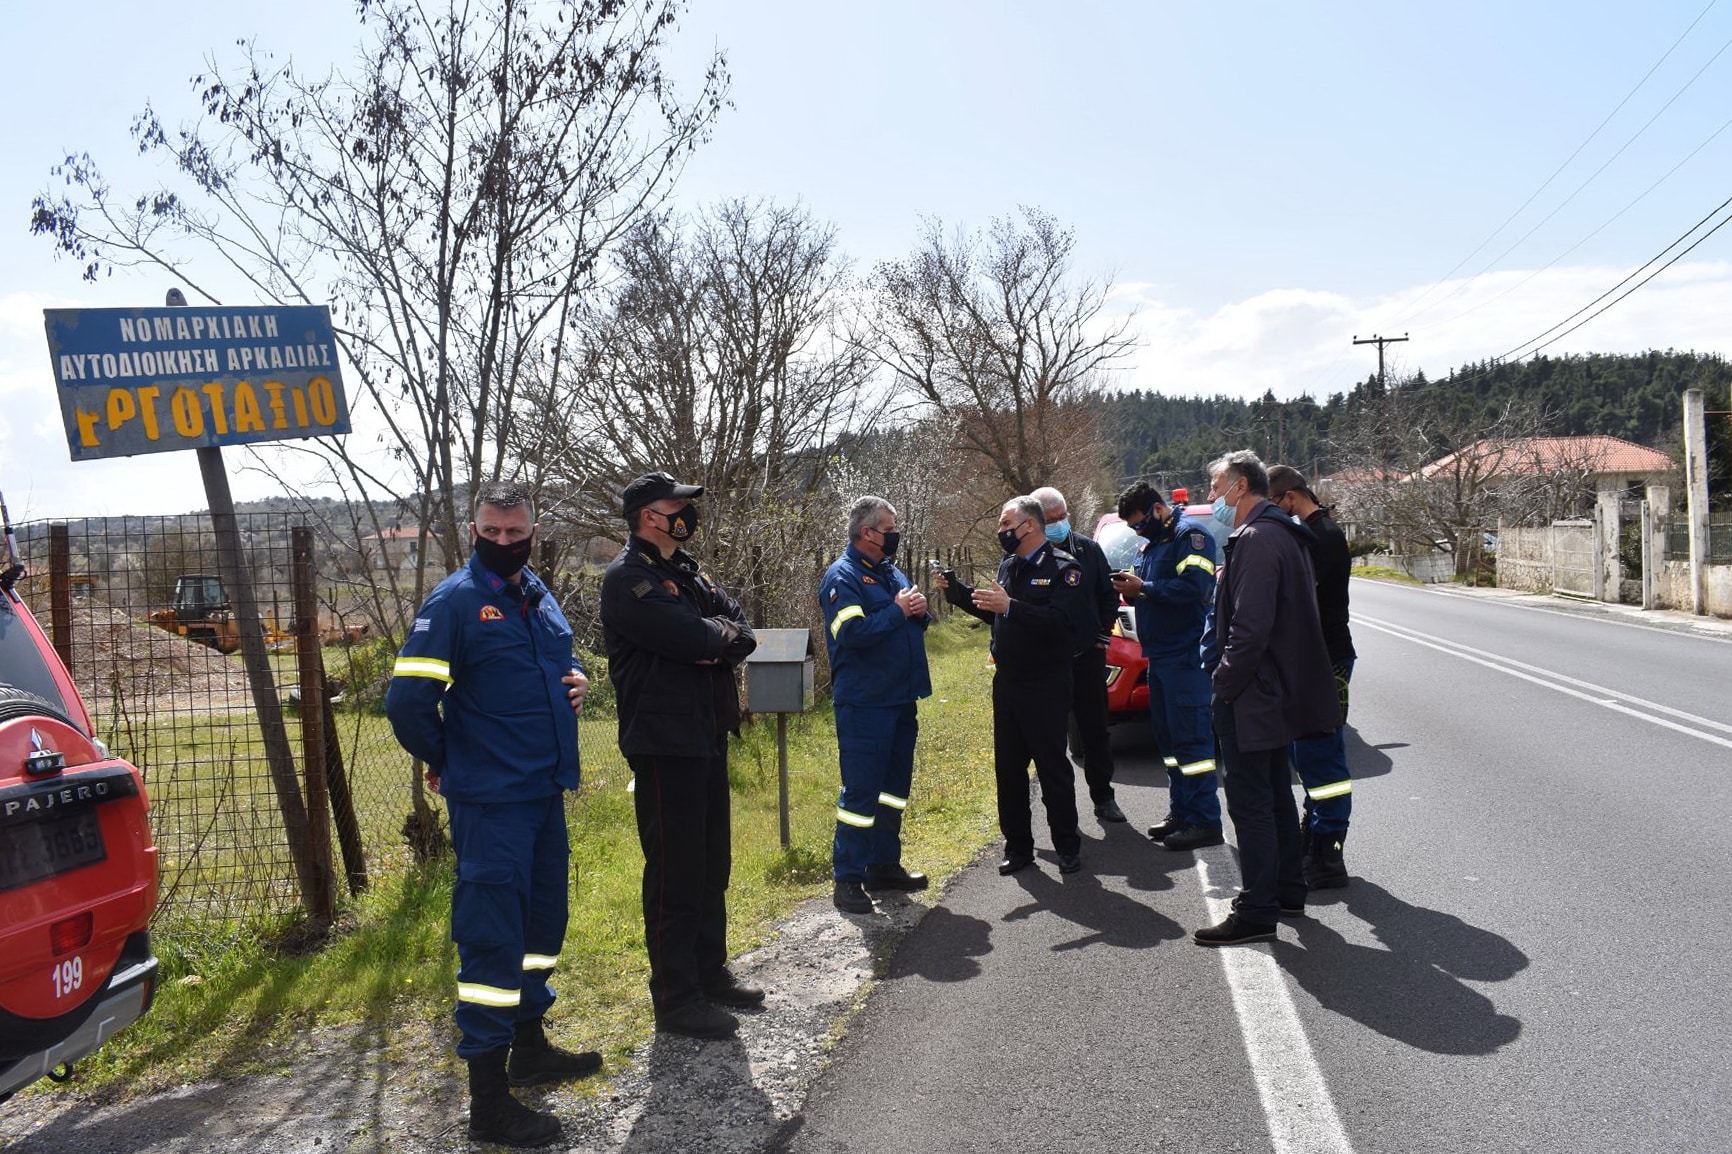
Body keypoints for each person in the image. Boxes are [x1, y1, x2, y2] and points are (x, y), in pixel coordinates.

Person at [385, 480, 598, 1149]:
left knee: (540, 929)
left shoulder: (537, 594)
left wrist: (579, 682)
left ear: (533, 531)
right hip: (492, 805)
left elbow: (548, 669)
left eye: (515, 533)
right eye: (491, 532)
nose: (503, 543)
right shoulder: (455, 602)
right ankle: (488, 1104)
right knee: (492, 939)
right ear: (474, 529)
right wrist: (454, 759)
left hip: (542, 794)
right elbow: (406, 702)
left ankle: (530, 1048)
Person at [599, 471, 762, 1040]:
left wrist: (713, 639)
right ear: (649, 515)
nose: (688, 514)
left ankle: (708, 973)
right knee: (675, 870)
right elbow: (695, 640)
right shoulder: (629, 581)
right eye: (678, 506)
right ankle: (675, 997)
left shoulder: (686, 573)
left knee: (712, 862)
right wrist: (709, 640)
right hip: (664, 744)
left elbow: (740, 630)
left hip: (706, 732)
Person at [1194, 451, 1341, 946]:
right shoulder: (1278, 533)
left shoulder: (1258, 538)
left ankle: (1257, 909)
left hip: (1253, 693)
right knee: (1276, 793)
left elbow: (1249, 630)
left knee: (1251, 802)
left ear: (1240, 486)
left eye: (1215, 487)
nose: (1211, 497)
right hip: (1271, 690)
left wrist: (1223, 685)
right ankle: (1286, 890)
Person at [937, 495, 1092, 876]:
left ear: (1030, 526)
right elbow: (996, 611)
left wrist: (1011, 607)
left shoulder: (1064, 570)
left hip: (1046, 683)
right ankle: (1018, 846)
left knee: (1052, 766)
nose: (1001, 531)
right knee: (1008, 769)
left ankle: (1067, 844)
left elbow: (1060, 622)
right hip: (1008, 683)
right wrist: (957, 593)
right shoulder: (1009, 565)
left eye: (1007, 524)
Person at [819, 496, 934, 915]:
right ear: (867, 532)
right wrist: (897, 609)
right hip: (866, 704)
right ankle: (847, 879)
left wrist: (919, 612)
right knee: (862, 792)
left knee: (893, 792)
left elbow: (911, 621)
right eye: (890, 528)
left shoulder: (891, 571)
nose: (895, 534)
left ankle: (883, 866)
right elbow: (851, 633)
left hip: (901, 699)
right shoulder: (842, 576)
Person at [1108, 482, 1223, 851]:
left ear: (1158, 509)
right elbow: (1148, 589)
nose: (1137, 531)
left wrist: (1146, 589)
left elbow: (1196, 589)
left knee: (1191, 740)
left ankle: (1205, 821)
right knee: (1170, 742)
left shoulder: (1192, 537)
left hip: (1185, 655)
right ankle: (1182, 813)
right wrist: (1131, 590)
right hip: (1158, 656)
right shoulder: (1152, 544)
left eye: (1140, 523)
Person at [1268, 465, 1357, 888]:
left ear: (1290, 497)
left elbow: (1303, 599)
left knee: (1323, 758)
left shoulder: (1322, 536)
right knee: (1308, 757)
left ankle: (1329, 855)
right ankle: (1315, 841)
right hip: (1314, 657)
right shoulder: (1313, 531)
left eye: (1275, 503)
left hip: (1326, 659)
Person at [1031, 485, 1126, 823]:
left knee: (1095, 729)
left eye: (1063, 517)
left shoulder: (1088, 550)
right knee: (1050, 735)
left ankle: (1104, 796)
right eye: (1052, 519)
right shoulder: (1027, 556)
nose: (1059, 524)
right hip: (1046, 663)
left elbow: (1108, 596)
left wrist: (1102, 636)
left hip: (1087, 656)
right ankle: (1057, 805)